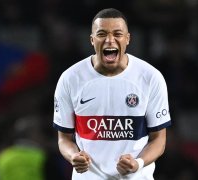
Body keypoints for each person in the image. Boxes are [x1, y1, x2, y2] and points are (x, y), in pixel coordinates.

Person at [53, 8, 171, 179]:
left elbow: (158, 140)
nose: (110, 40)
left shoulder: (150, 77)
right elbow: (63, 139)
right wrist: (74, 156)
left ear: (128, 39)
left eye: (117, 34)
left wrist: (137, 163)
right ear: (92, 40)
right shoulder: (70, 78)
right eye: (102, 34)